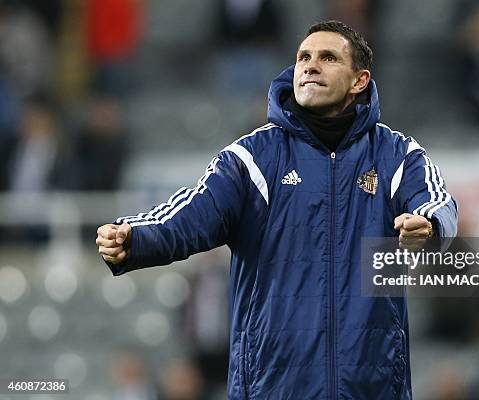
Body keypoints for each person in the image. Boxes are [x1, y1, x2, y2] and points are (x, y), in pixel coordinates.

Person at [97, 20, 458, 400]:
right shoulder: (253, 158)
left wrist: (430, 225)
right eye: (304, 56)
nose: (310, 65)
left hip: (372, 388)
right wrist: (136, 235)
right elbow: (193, 214)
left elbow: (437, 202)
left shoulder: (396, 155)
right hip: (273, 387)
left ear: (359, 81)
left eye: (328, 57)